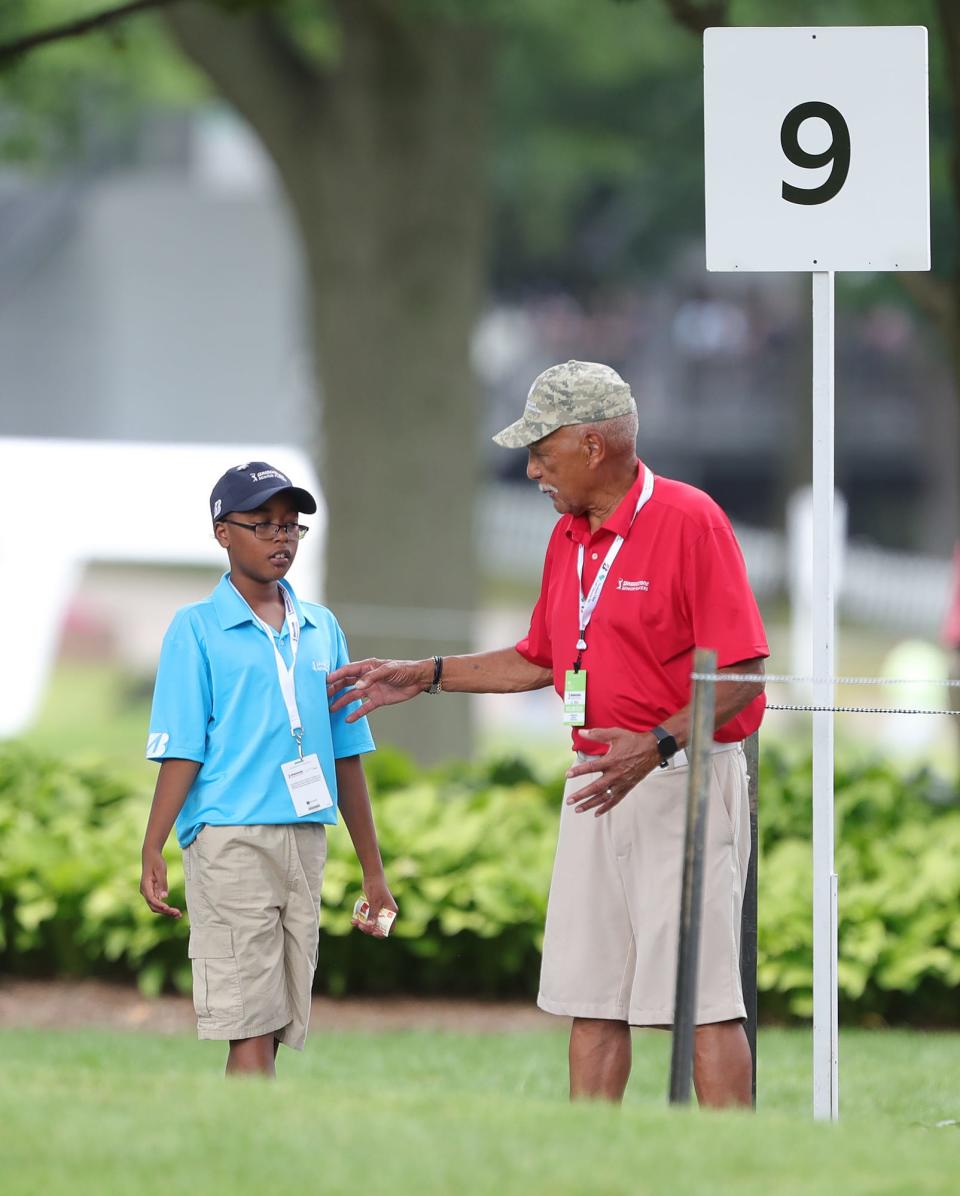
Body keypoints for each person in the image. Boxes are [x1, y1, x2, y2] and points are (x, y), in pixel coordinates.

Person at [328, 361, 767, 1108]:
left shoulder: (691, 520)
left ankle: (738, 1174)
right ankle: (581, 1170)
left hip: (681, 782)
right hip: (595, 783)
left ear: (593, 444)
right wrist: (426, 674)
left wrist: (658, 742)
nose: (530, 469)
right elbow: (539, 657)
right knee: (590, 998)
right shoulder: (568, 535)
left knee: (703, 1002)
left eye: (542, 449)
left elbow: (745, 673)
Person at [140, 461, 396, 1077]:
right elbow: (184, 749)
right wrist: (154, 845)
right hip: (230, 840)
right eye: (263, 525)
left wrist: (373, 871)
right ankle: (241, 1163)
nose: (281, 538)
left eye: (292, 526)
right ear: (223, 533)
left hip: (305, 839)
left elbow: (346, 752)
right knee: (248, 1026)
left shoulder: (322, 627)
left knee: (278, 1022)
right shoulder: (195, 629)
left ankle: (252, 1147)